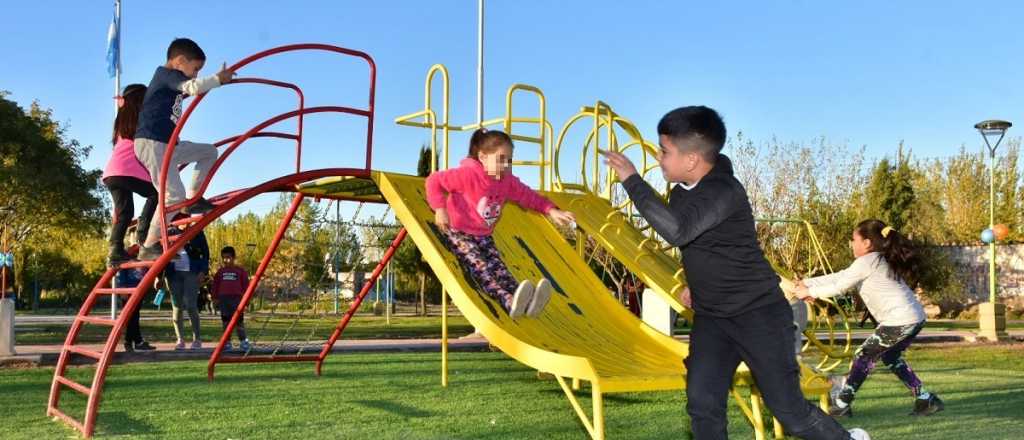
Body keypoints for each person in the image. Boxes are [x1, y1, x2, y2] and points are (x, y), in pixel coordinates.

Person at [601, 106, 868, 440]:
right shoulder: (681, 191)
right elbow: (704, 244)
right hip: (713, 319)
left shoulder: (725, 191)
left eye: (664, 151)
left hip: (759, 315)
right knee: (702, 404)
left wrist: (631, 180)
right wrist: (693, 281)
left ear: (692, 159)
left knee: (790, 414)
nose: (658, 157)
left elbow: (678, 232)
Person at [792, 219, 943, 417]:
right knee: (890, 357)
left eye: (854, 240)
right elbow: (840, 276)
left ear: (867, 243)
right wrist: (806, 283)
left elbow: (840, 287)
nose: (851, 244)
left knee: (863, 355)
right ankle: (925, 400)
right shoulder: (874, 260)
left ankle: (841, 404)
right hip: (913, 317)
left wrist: (808, 291)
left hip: (901, 319)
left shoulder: (867, 262)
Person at [425, 129, 576, 319]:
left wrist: (551, 210)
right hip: (458, 232)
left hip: (484, 236)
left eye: (509, 160)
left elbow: (528, 196)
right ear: (483, 157)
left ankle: (527, 301)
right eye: (501, 159)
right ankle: (509, 301)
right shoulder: (467, 174)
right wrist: (440, 209)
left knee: (500, 270)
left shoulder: (507, 182)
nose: (506, 165)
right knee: (483, 269)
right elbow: (433, 181)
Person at [135, 38, 235, 260]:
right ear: (180, 61)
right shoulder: (165, 75)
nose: (196, 74)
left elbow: (192, 90)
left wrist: (215, 84)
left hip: (169, 144)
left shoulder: (172, 87)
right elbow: (193, 87)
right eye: (195, 69)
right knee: (172, 195)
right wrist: (218, 79)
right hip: (152, 143)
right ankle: (149, 245)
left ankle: (193, 198)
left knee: (209, 152)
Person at [102, 84, 157, 266]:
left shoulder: (122, 120)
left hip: (112, 173)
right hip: (129, 170)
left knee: (125, 212)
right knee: (156, 193)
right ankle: (143, 235)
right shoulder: (142, 118)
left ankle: (115, 249)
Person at [163, 229, 209, 350]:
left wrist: (203, 271)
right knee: (177, 306)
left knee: (191, 305)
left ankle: (197, 339)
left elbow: (205, 252)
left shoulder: (197, 230)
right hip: (173, 273)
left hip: (191, 272)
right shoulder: (169, 230)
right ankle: (180, 339)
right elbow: (160, 253)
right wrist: (159, 276)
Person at [211, 246, 251, 351]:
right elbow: (215, 286)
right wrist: (215, 299)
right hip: (224, 300)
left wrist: (246, 301)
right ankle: (227, 342)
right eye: (223, 258)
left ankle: (244, 342)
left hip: (237, 300)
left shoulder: (240, 271)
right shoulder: (220, 272)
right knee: (226, 322)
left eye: (228, 257)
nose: (226, 260)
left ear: (234, 258)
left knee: (239, 322)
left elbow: (247, 287)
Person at [115, 267, 156, 352]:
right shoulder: (128, 256)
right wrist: (122, 287)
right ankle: (134, 342)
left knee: (134, 316)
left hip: (140, 287)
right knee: (132, 316)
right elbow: (121, 270)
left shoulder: (143, 256)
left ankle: (133, 341)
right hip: (129, 288)